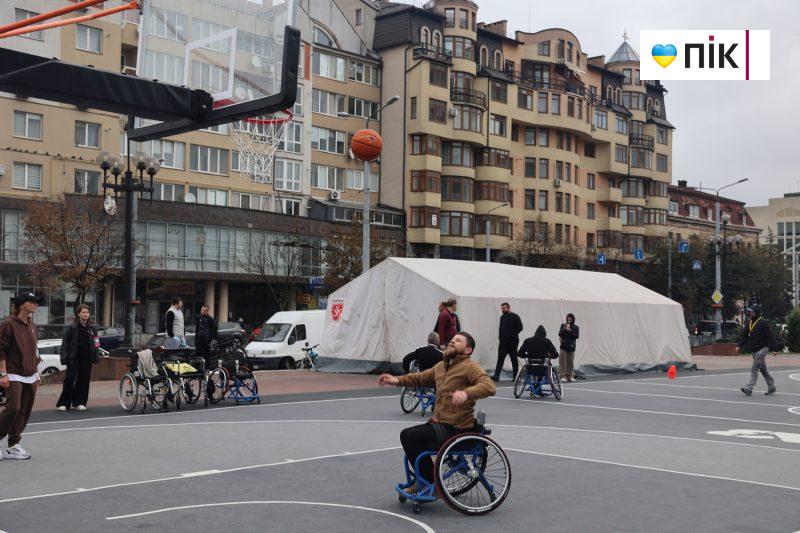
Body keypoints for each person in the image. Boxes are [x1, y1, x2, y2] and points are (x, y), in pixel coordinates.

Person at [378, 332, 496, 491]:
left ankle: (431, 482)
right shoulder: (441, 366)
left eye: (458, 340)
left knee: (411, 436)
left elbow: (489, 386)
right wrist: (397, 380)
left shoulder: (470, 367)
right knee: (406, 435)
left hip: (457, 428)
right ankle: (426, 479)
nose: (453, 341)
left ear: (468, 350)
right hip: (441, 423)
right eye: (452, 339)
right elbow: (419, 378)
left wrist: (466, 393)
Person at [0, 291, 43, 460]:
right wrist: (3, 373)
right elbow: (1, 349)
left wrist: (36, 372)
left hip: (30, 374)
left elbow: (34, 349)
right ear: (21, 304)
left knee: (24, 410)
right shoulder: (8, 324)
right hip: (13, 373)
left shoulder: (32, 325)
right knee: (13, 408)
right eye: (32, 301)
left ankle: (13, 445)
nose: (36, 304)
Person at [56, 304, 100, 412]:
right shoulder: (72, 328)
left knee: (84, 380)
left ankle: (79, 402)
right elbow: (65, 344)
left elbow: (96, 344)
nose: (86, 314)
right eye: (83, 312)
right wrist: (64, 357)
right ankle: (63, 403)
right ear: (78, 314)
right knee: (69, 380)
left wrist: (96, 356)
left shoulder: (92, 329)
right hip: (73, 357)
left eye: (87, 312)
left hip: (87, 358)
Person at [738, 304, 779, 396]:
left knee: (754, 368)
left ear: (756, 313)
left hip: (763, 348)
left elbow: (771, 336)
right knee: (763, 370)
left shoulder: (763, 322)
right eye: (749, 312)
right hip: (754, 349)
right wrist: (739, 345)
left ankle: (749, 388)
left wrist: (775, 348)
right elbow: (744, 335)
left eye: (752, 312)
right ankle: (771, 386)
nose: (750, 314)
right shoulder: (749, 322)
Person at [492, 302, 523, 381]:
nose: (502, 310)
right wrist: (500, 337)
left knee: (513, 359)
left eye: (504, 308)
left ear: (508, 308)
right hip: (503, 342)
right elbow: (501, 329)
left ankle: (515, 376)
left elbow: (520, 327)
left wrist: (512, 334)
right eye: (502, 308)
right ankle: (496, 375)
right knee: (500, 358)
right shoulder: (502, 317)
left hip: (512, 342)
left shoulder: (515, 316)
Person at [558, 313, 580, 382]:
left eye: (570, 319)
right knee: (562, 362)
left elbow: (576, 336)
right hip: (563, 346)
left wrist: (570, 330)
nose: (569, 320)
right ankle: (563, 376)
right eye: (568, 319)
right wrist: (565, 329)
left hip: (571, 347)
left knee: (570, 362)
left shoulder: (576, 327)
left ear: (573, 319)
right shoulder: (563, 325)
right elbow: (560, 334)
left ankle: (570, 376)